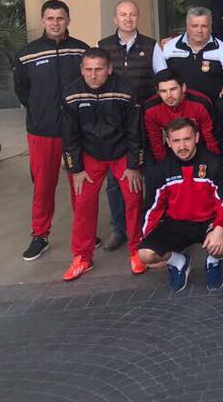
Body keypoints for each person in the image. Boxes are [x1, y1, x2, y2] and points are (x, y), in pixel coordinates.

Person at [59, 48, 145, 281]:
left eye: (99, 69)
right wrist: (75, 169)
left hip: (121, 153)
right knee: (83, 204)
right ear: (81, 70)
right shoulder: (71, 93)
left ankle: (137, 250)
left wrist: (133, 165)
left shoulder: (125, 90)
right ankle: (82, 257)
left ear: (109, 69)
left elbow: (135, 131)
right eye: (88, 69)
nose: (93, 75)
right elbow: (69, 136)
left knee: (134, 199)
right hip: (89, 155)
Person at [13, 0, 89, 262]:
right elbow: (23, 92)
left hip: (76, 130)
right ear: (43, 21)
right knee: (43, 186)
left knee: (80, 183)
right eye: (50, 18)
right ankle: (40, 235)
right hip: (42, 131)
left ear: (68, 20)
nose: (55, 23)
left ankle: (84, 231)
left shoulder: (81, 50)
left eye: (60, 18)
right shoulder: (26, 54)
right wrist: (40, 111)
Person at [137, 117, 223, 292]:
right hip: (176, 224)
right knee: (145, 254)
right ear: (168, 142)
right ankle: (179, 262)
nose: (182, 146)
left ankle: (213, 261)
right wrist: (146, 240)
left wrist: (220, 228)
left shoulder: (214, 163)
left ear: (196, 137)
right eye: (176, 141)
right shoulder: (160, 169)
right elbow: (151, 208)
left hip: (208, 222)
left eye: (187, 139)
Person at [98, 0, 158, 252]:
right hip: (115, 124)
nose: (127, 18)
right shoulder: (102, 47)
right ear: (115, 19)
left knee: (149, 175)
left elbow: (160, 80)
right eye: (122, 14)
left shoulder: (151, 46)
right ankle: (119, 229)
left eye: (132, 14)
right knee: (115, 180)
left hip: (145, 120)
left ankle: (148, 225)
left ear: (138, 17)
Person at [154, 7, 223, 103]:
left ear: (211, 27)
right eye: (195, 26)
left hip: (211, 107)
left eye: (204, 26)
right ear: (187, 26)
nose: (199, 30)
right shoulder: (170, 47)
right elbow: (161, 78)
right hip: (178, 107)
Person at [143, 70, 220, 164]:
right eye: (163, 91)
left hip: (200, 148)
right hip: (173, 150)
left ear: (183, 88)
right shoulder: (150, 109)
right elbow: (155, 142)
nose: (169, 95)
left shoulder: (201, 103)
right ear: (158, 92)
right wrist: (163, 165)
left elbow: (211, 138)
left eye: (173, 89)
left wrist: (214, 163)